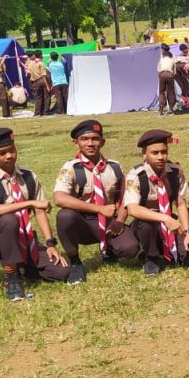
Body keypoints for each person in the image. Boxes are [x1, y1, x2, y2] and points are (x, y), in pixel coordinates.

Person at [0, 128, 70, 301]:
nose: (9, 156)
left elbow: (40, 211)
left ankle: (27, 267)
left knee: (62, 272)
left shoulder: (28, 176)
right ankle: (12, 277)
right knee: (9, 219)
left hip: (25, 238)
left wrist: (50, 243)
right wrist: (29, 203)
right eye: (1, 153)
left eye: (12, 150)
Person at [53, 120, 138, 284]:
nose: (90, 143)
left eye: (95, 139)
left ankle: (110, 250)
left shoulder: (115, 167)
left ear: (102, 142)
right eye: (84, 139)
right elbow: (59, 198)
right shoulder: (71, 168)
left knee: (130, 249)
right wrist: (98, 209)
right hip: (83, 222)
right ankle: (75, 261)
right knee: (64, 216)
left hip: (109, 221)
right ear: (75, 143)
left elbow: (126, 197)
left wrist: (120, 220)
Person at [123, 129, 189, 275]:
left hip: (170, 223)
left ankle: (166, 249)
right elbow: (132, 209)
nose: (160, 157)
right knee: (146, 225)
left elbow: (181, 203)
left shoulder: (175, 172)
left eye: (164, 152)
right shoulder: (136, 175)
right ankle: (151, 258)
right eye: (155, 153)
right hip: (146, 224)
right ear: (144, 154)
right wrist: (164, 218)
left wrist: (187, 233)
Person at [26, 51, 50, 117]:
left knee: (38, 97)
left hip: (35, 82)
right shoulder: (41, 63)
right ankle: (46, 111)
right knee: (46, 96)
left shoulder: (30, 63)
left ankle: (38, 112)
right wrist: (47, 85)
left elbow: (29, 72)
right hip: (41, 80)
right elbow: (43, 75)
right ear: (39, 56)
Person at [156, 44, 176, 114]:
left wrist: (160, 76)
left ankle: (161, 108)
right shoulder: (172, 59)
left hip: (162, 74)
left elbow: (158, 71)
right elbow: (174, 71)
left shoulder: (161, 60)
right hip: (170, 74)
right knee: (170, 92)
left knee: (161, 92)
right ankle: (171, 108)